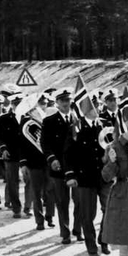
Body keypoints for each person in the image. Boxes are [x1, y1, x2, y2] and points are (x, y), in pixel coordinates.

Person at [64, 111, 106, 256]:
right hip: (85, 177)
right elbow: (68, 154)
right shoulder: (76, 127)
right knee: (88, 214)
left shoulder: (104, 124)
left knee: (108, 209)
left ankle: (104, 239)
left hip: (104, 176)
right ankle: (92, 248)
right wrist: (70, 175)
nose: (95, 109)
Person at [42, 89, 78, 244]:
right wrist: (52, 159)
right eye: (62, 101)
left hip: (76, 168)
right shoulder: (49, 121)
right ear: (57, 103)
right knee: (62, 201)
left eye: (68, 100)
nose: (65, 103)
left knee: (79, 200)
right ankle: (65, 232)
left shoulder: (77, 120)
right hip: (58, 168)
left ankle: (78, 229)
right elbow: (45, 143)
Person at [19, 104, 55, 231]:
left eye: (36, 109)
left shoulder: (46, 122)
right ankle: (39, 221)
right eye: (33, 110)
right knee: (36, 192)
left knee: (50, 190)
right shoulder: (25, 124)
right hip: (33, 163)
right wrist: (23, 163)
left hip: (47, 161)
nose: (36, 111)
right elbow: (21, 145)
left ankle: (50, 217)